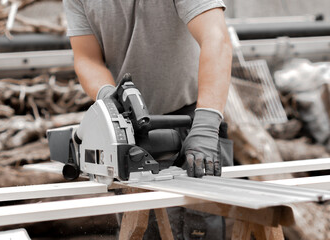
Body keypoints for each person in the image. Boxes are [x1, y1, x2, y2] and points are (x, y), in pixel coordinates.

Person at [63, 0, 233, 239]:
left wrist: (206, 124)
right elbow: (87, 58)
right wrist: (109, 98)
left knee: (201, 227)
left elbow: (216, 38)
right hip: (126, 125)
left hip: (193, 118)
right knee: (143, 230)